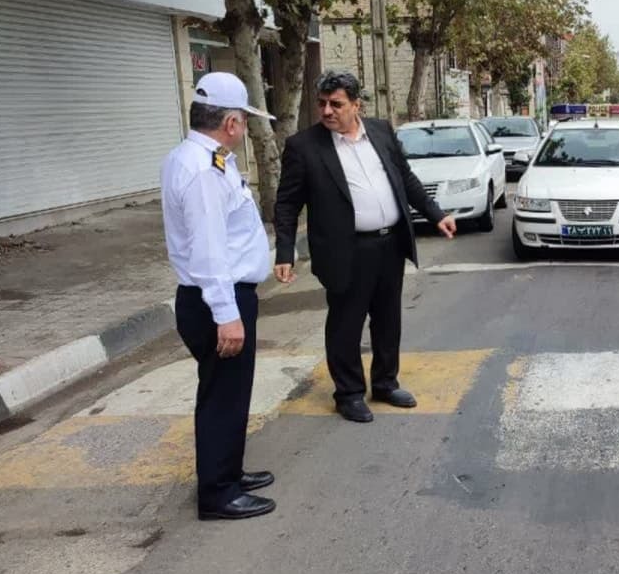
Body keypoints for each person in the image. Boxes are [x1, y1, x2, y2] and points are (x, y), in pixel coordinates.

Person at [273, 70, 456, 423]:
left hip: (389, 244)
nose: (327, 111)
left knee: (388, 320)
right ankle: (349, 393)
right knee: (346, 323)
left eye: (336, 104)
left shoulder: (381, 132)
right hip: (345, 251)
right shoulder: (304, 147)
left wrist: (436, 214)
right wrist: (284, 251)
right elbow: (286, 203)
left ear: (356, 105)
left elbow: (405, 177)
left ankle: (385, 383)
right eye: (322, 104)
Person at [160, 72, 276, 521]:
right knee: (222, 397)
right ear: (230, 122)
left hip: (214, 297)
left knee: (229, 393)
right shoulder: (205, 170)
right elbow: (208, 248)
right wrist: (227, 315)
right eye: (244, 120)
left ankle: (229, 471)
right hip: (217, 301)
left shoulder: (192, 158)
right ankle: (218, 493)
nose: (245, 128)